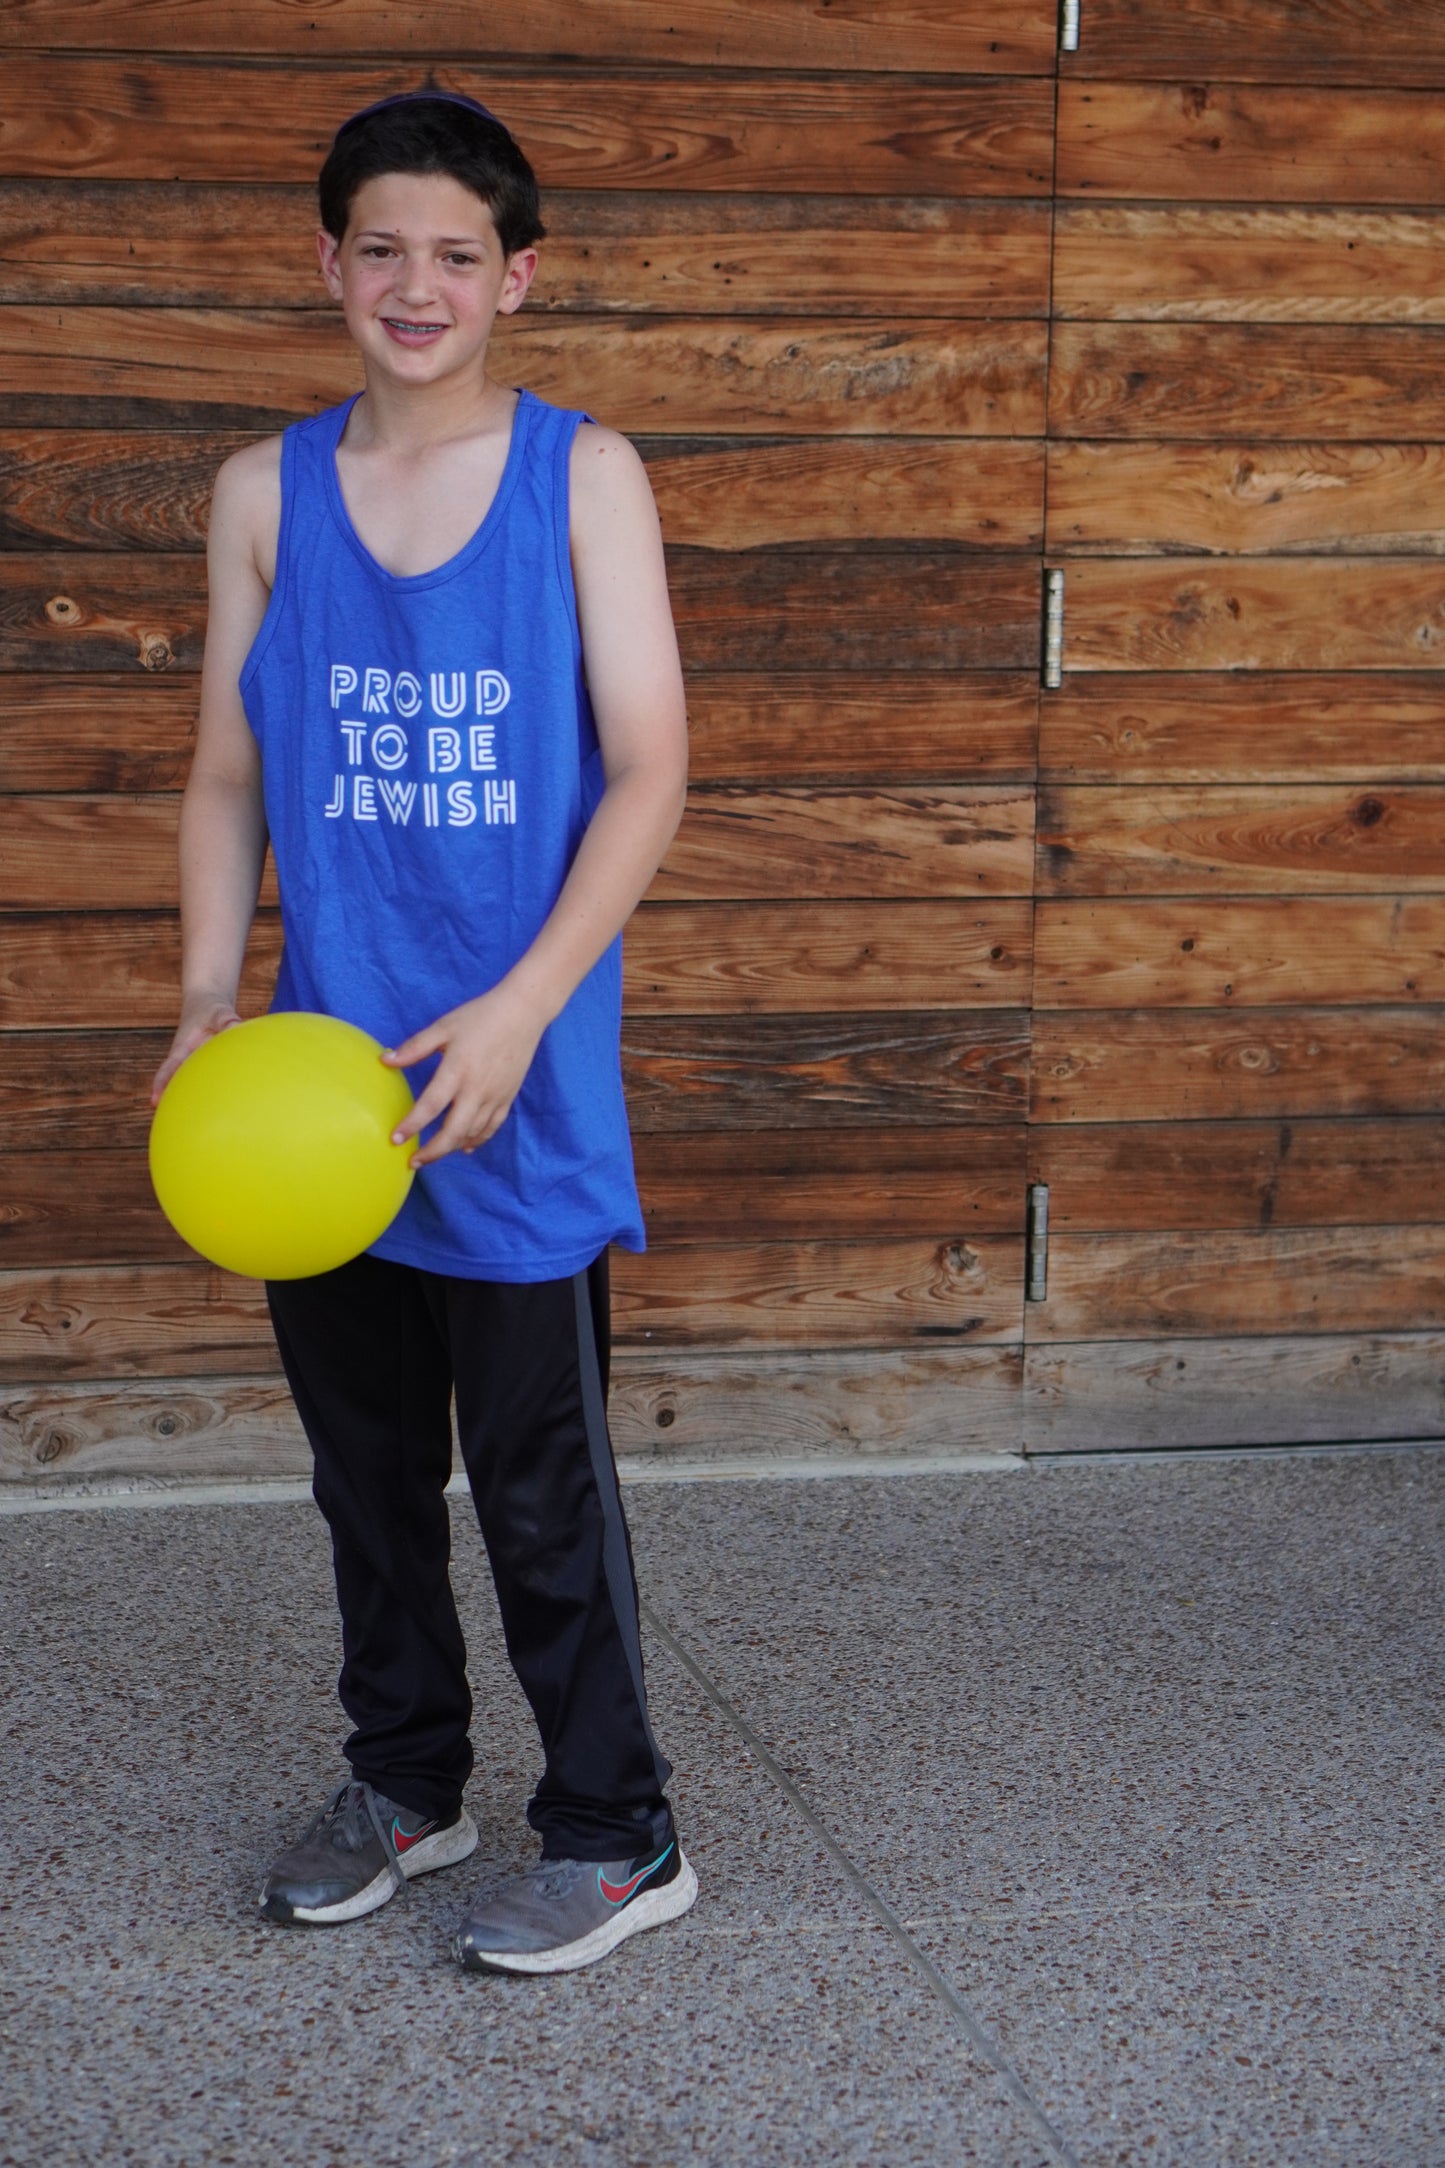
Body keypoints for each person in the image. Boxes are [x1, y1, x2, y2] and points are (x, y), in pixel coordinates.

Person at [150, 89, 695, 1976]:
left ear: (515, 282)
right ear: (327, 263)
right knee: (364, 1476)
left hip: (507, 1082)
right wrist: (212, 1000)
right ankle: (406, 1777)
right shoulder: (260, 492)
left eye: (456, 253)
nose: (415, 281)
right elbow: (225, 775)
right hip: (316, 1092)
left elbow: (649, 770)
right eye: (379, 245)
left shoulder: (583, 477)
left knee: (543, 1489)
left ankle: (619, 1829)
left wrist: (526, 1005)